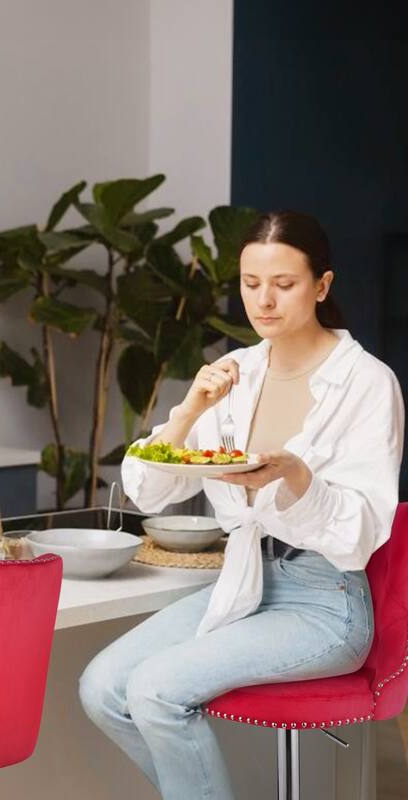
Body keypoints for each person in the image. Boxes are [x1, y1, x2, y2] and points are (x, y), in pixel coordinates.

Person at [78, 210, 404, 799]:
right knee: (102, 688)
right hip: (247, 584)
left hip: (326, 603)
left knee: (155, 689)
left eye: (284, 284)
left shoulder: (366, 383)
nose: (265, 301)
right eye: (251, 285)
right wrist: (189, 412)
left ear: (322, 286)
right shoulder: (237, 374)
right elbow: (149, 488)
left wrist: (300, 477)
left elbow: (362, 534)